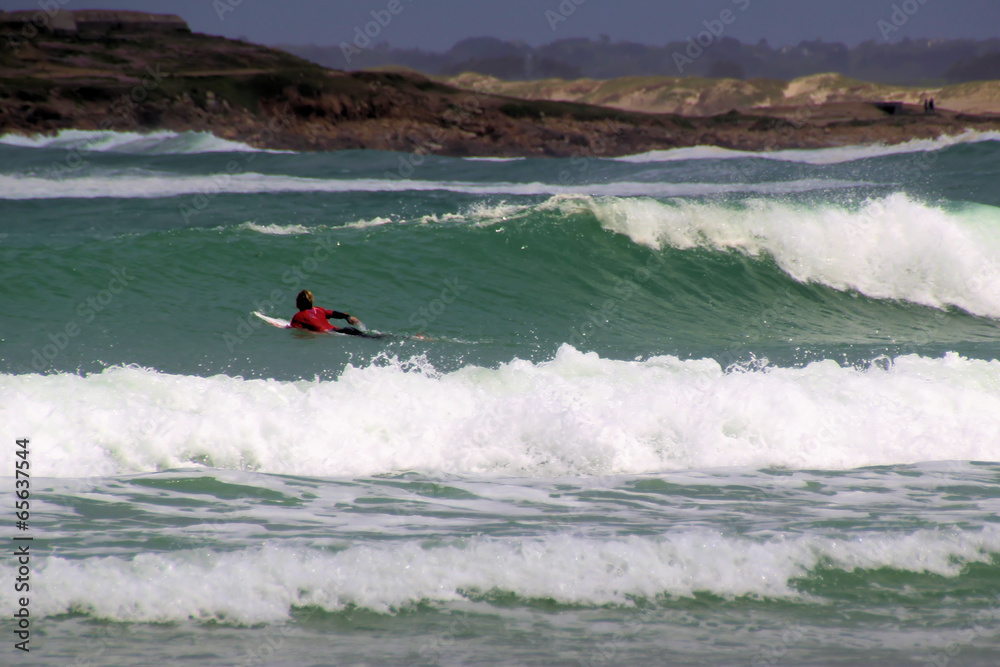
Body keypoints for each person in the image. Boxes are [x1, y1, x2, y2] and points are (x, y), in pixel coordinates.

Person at [290, 289, 368, 336]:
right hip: (340, 330)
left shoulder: (298, 317)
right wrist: (347, 317)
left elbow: (297, 330)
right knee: (366, 336)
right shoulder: (318, 309)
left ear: (299, 302)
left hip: (332, 333)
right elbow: (334, 313)